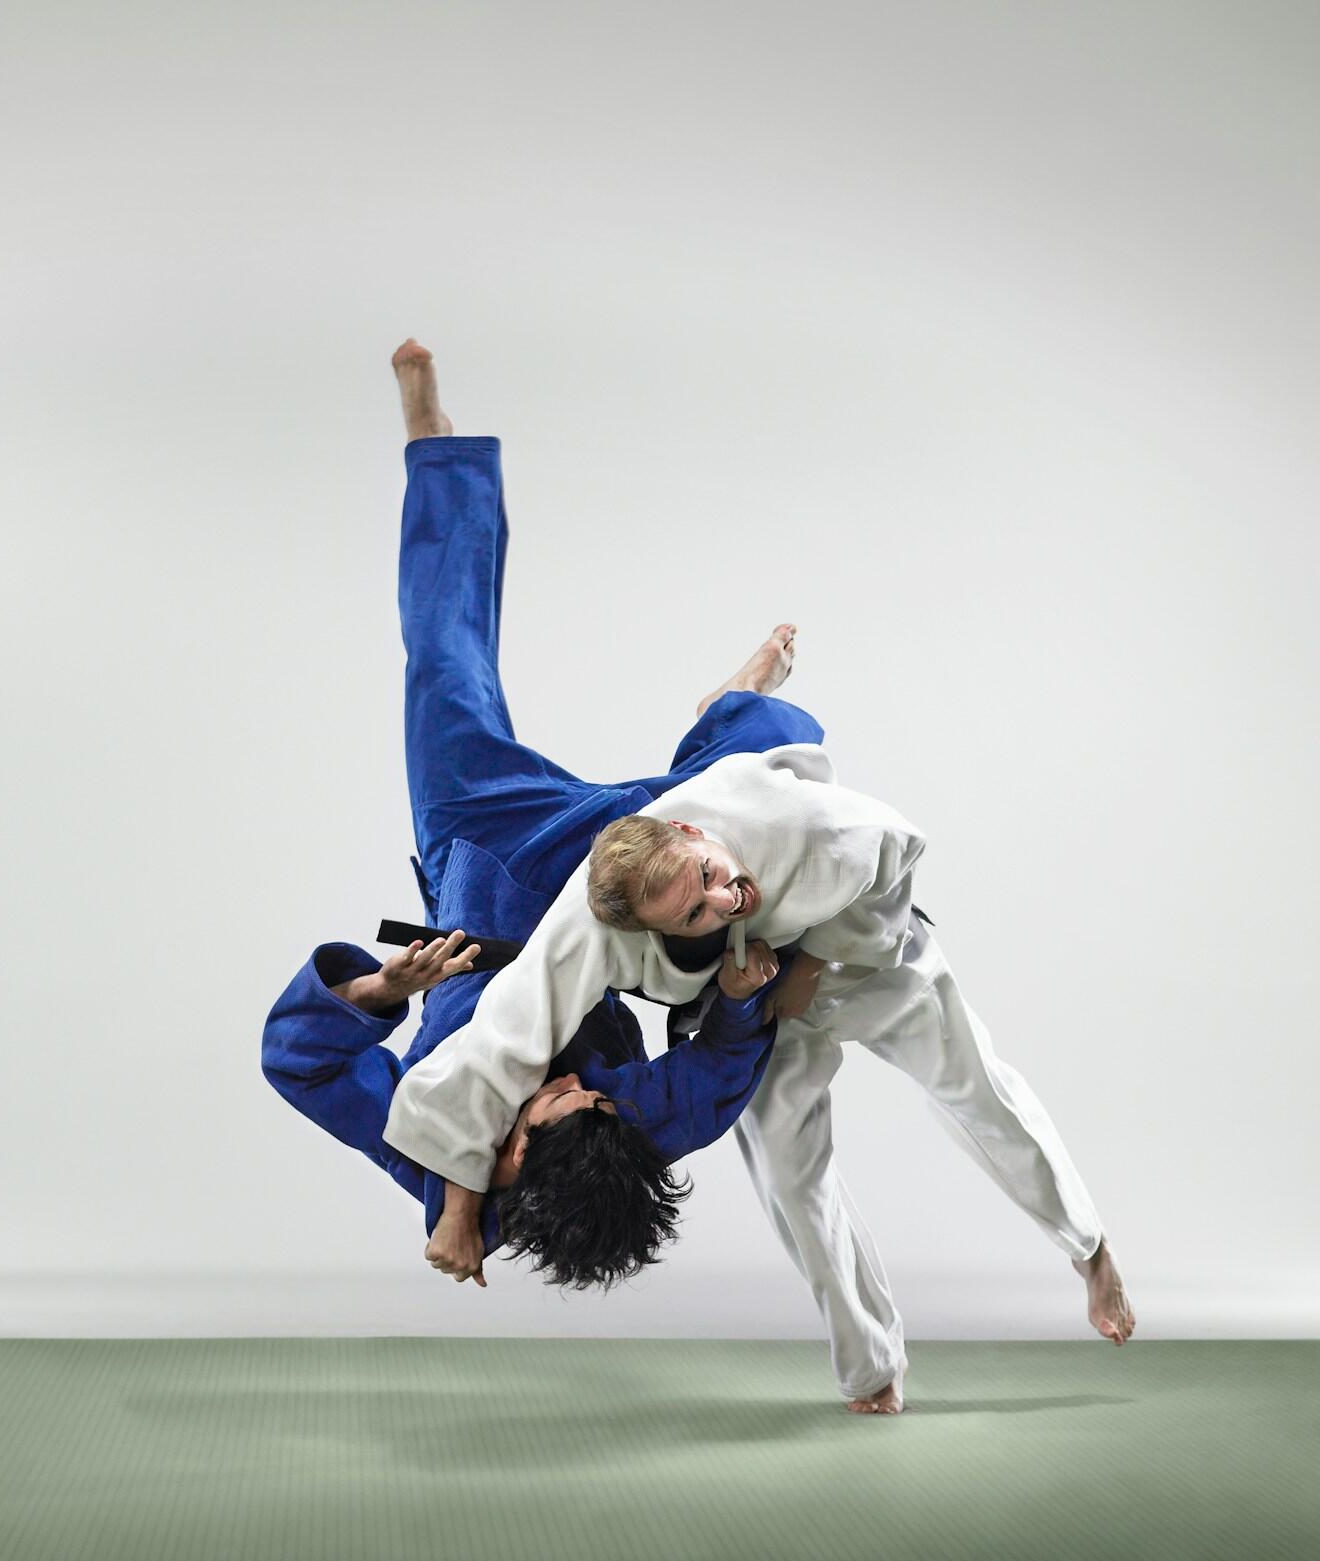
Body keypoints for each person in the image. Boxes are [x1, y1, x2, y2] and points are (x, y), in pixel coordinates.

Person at [377, 347, 1134, 1412]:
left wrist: (810, 958)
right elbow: (512, 1029)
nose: (559, 1095)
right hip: (592, 871)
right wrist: (463, 1199)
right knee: (787, 1165)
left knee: (970, 1082)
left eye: (709, 878)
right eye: (696, 898)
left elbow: (885, 854)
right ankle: (872, 1366)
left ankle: (1088, 1244)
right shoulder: (609, 949)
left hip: (840, 934)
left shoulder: (782, 831)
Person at [262, 339, 817, 1288]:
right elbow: (719, 1072)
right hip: (606, 887)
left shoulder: (422, 1151)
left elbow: (299, 1064)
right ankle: (728, 710)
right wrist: (739, 999)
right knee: (753, 782)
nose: (568, 1081)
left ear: (510, 1157)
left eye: (555, 1102)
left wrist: (383, 990)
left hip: (482, 859)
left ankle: (437, 455)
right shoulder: (632, 1125)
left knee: (445, 669)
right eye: (590, 1098)